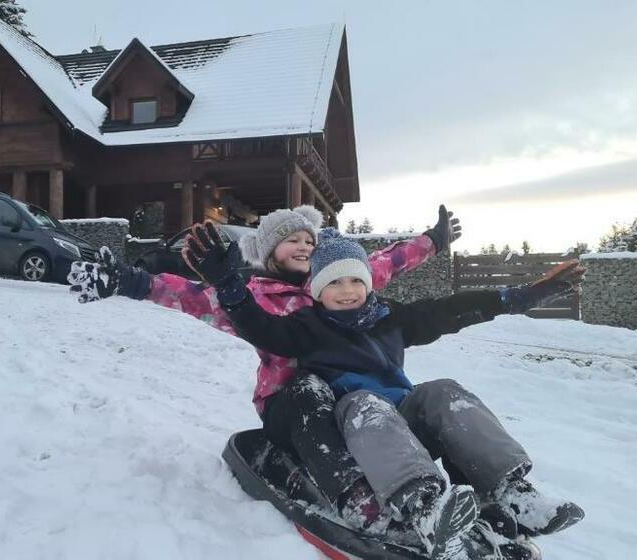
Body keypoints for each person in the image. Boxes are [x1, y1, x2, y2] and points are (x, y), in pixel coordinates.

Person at [180, 224, 586, 560]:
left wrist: (520, 297)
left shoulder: (390, 318)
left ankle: (511, 492)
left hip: (400, 423)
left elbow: (448, 309)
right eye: (334, 282)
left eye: (356, 279)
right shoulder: (308, 327)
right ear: (317, 290)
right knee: (367, 404)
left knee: (444, 392)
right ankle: (422, 507)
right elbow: (261, 328)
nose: (347, 289)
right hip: (349, 424)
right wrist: (230, 286)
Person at [68, 205, 458, 531]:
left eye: (310, 240)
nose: (305, 246)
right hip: (293, 407)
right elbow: (192, 298)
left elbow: (390, 259)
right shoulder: (254, 296)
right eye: (293, 240)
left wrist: (434, 240)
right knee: (309, 389)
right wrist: (131, 281)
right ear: (270, 250)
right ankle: (356, 497)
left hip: (353, 401)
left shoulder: (338, 281)